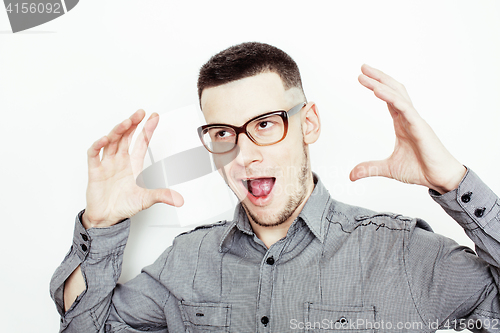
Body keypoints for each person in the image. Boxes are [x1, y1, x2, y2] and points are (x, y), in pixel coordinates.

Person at [50, 42, 500, 332]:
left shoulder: (401, 254)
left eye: (265, 124)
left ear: (310, 124)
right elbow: (89, 326)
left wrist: (454, 183)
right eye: (224, 133)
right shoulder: (188, 261)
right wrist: (102, 225)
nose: (244, 156)